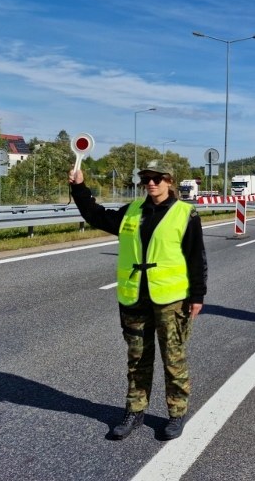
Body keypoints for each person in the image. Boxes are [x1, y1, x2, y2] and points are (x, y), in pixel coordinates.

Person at [68, 159, 207, 441]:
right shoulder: (132, 211)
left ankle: (176, 413)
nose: (151, 183)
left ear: (169, 180)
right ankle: (135, 411)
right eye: (146, 178)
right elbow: (96, 216)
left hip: (171, 299)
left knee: (173, 359)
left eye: (157, 178)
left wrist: (197, 295)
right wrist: (80, 187)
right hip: (134, 297)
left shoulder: (185, 213)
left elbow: (196, 257)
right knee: (137, 358)